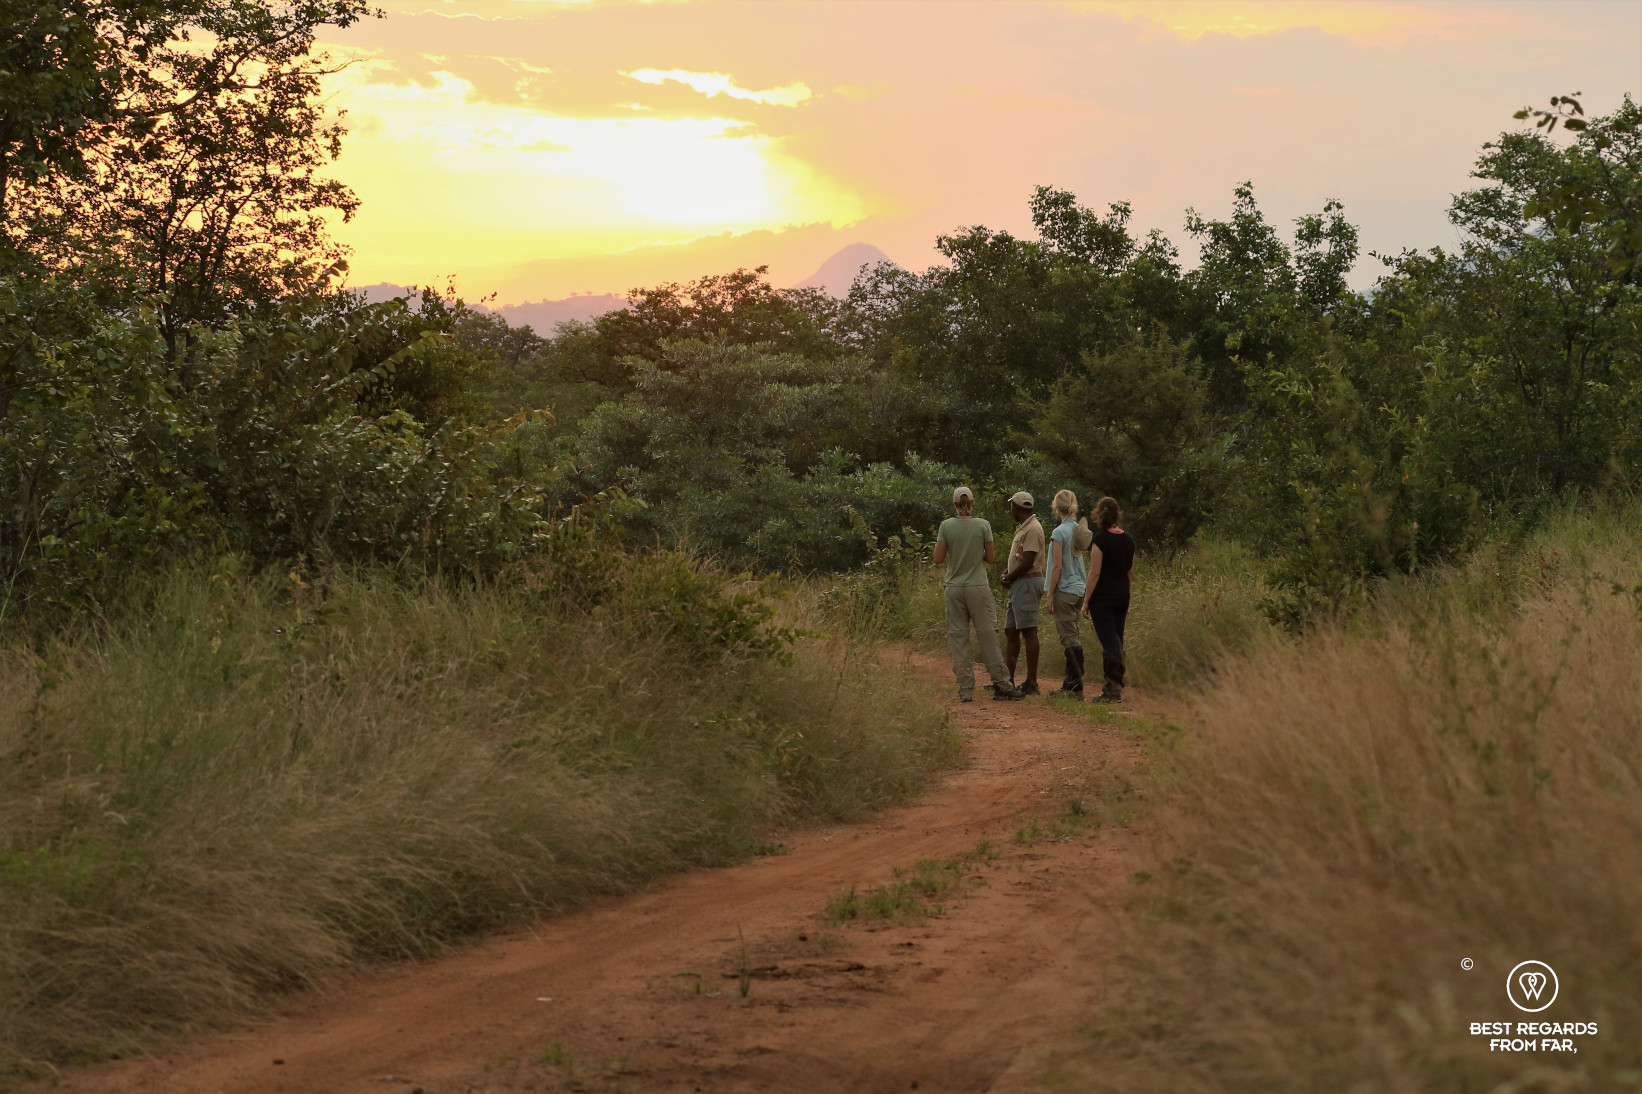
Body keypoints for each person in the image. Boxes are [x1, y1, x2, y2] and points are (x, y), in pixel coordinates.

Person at [933, 486, 1022, 703]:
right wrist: (976, 551)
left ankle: (965, 690)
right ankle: (1002, 684)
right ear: (972, 503)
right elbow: (990, 558)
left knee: (958, 637)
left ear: (955, 504)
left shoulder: (946, 526)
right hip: (977, 587)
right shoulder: (983, 525)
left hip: (954, 587)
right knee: (987, 634)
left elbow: (937, 558)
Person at [1079, 496, 1136, 703]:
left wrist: (1086, 601)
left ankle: (1111, 689)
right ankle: (1117, 684)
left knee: (1109, 643)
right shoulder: (1129, 540)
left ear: (1099, 514)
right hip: (1122, 596)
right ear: (1117, 514)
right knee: (1118, 640)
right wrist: (1126, 596)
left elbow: (1094, 574)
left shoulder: (1100, 540)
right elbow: (1130, 573)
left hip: (1103, 599)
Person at [999, 490, 1046, 695]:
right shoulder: (1025, 528)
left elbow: (1028, 561)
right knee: (1011, 630)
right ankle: (1007, 680)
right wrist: (1008, 573)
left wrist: (1010, 577)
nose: (1011, 510)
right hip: (1021, 583)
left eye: (1012, 507)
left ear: (1017, 508)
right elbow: (1021, 559)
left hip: (1027, 582)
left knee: (1029, 631)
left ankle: (1032, 682)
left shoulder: (1033, 529)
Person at [1044, 489, 1088, 697]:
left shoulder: (1059, 533)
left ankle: (1075, 683)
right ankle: (1071, 681)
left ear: (1056, 507)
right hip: (1080, 588)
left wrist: (1050, 594)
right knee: (1074, 633)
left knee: (1068, 637)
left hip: (1065, 588)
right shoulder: (1079, 529)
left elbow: (1057, 566)